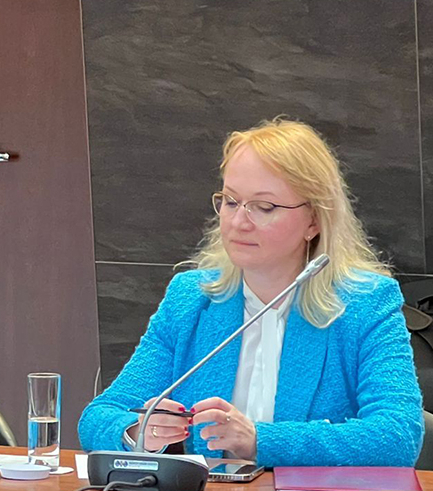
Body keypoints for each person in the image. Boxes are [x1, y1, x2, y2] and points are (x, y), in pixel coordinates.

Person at [79, 118, 423, 466]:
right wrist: (139, 432)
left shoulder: (366, 304)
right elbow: (99, 416)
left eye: (264, 207)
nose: (239, 222)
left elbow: (398, 435)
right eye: (231, 202)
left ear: (314, 220)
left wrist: (260, 440)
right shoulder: (191, 299)